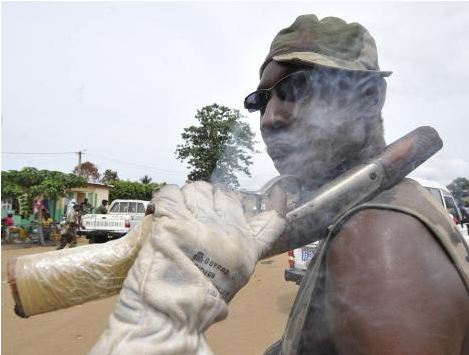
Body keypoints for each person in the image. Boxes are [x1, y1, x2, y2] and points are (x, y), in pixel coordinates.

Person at [91, 14, 469, 355]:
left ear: (368, 97)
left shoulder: (378, 239)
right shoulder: (355, 218)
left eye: (296, 87)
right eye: (262, 100)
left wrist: (160, 332)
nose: (270, 118)